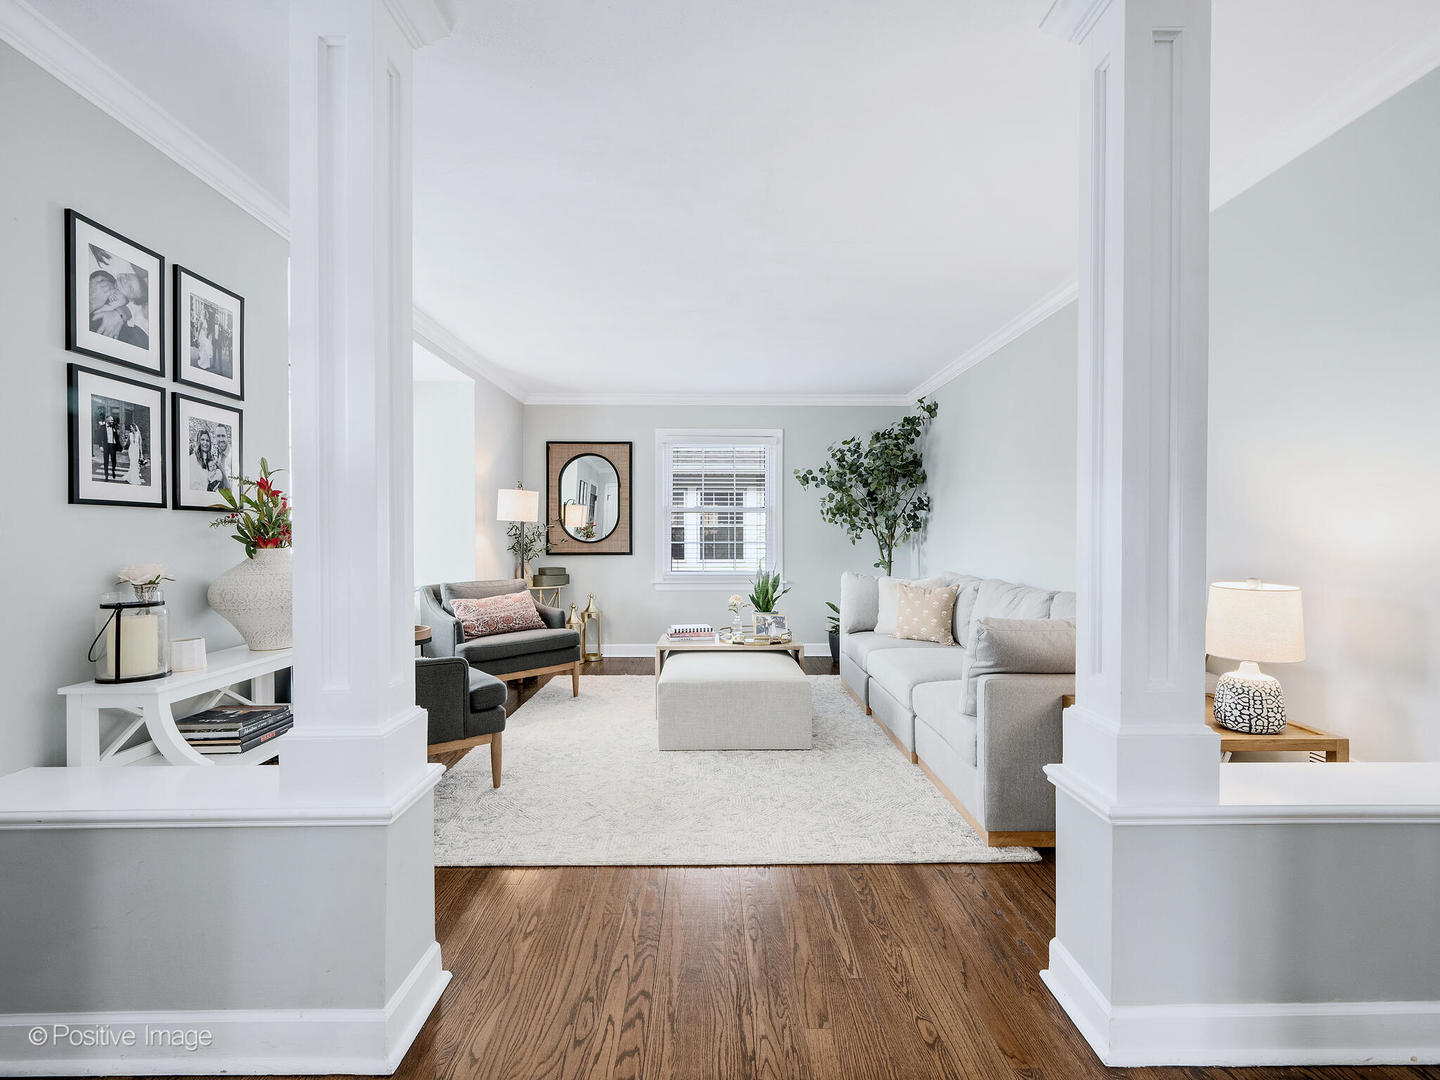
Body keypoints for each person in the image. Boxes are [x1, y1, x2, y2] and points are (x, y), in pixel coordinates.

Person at [87, 270, 148, 348]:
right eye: (127, 275)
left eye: (130, 288)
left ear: (132, 300)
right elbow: (97, 275)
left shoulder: (124, 301)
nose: (125, 280)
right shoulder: (108, 278)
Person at [122, 420, 144, 485]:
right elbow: (127, 443)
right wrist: (124, 446)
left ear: (134, 427)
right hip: (131, 450)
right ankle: (132, 478)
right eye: (130, 427)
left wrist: (141, 454)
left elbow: (140, 445)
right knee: (132, 463)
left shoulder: (138, 434)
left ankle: (133, 477)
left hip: (136, 450)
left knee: (135, 464)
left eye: (131, 427)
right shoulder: (130, 434)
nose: (130, 428)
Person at [99, 415, 120, 481]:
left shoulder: (114, 426)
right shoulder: (102, 427)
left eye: (112, 420)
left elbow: (116, 437)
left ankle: (113, 470)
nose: (112, 421)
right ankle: (106, 475)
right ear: (107, 420)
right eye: (111, 420)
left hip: (113, 446)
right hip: (106, 445)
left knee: (114, 460)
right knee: (106, 461)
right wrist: (100, 446)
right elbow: (99, 437)